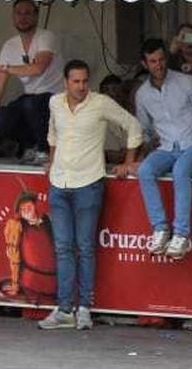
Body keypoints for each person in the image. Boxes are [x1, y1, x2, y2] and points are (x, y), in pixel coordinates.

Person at [40, 60, 143, 331]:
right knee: (63, 248)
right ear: (65, 82)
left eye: (85, 81)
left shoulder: (100, 103)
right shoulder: (54, 103)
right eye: (76, 81)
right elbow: (53, 135)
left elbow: (133, 126)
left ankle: (83, 307)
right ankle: (64, 309)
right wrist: (52, 161)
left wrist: (129, 162)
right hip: (59, 182)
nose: (81, 86)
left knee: (84, 247)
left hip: (88, 182)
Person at [130, 38, 192, 259]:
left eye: (162, 59)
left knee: (181, 171)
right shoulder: (142, 94)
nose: (159, 65)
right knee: (146, 170)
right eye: (153, 61)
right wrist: (138, 158)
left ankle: (182, 235)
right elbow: (145, 132)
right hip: (166, 147)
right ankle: (160, 228)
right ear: (145, 64)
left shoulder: (186, 82)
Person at [0, 0, 63, 162]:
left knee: (30, 103)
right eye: (18, 13)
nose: (23, 17)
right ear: (13, 17)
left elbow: (38, 68)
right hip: (31, 101)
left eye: (27, 13)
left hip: (55, 97)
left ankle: (44, 149)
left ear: (36, 16)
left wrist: (2, 68)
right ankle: (29, 146)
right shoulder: (10, 45)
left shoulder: (46, 37)